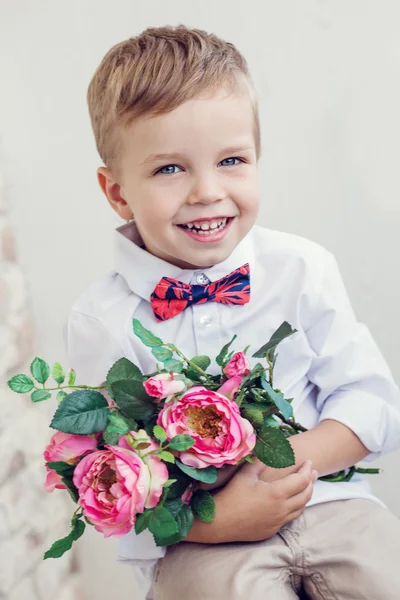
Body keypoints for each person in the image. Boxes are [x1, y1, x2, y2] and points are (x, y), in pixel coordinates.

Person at [66, 25, 400, 600]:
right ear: (117, 192)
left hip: (331, 502)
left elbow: (372, 402)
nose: (206, 191)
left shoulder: (302, 268)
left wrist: (286, 461)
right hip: (204, 541)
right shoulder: (102, 319)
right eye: (170, 169)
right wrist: (213, 518)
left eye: (231, 160)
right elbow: (104, 483)